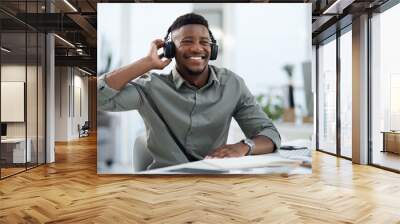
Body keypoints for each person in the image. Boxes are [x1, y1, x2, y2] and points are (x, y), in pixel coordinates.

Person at [98, 13, 281, 169]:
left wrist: (243, 147)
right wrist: (147, 62)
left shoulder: (232, 84)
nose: (197, 48)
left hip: (213, 181)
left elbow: (269, 133)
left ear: (213, 49)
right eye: (187, 41)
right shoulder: (150, 87)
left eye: (204, 42)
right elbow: (97, 98)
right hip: (164, 185)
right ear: (170, 50)